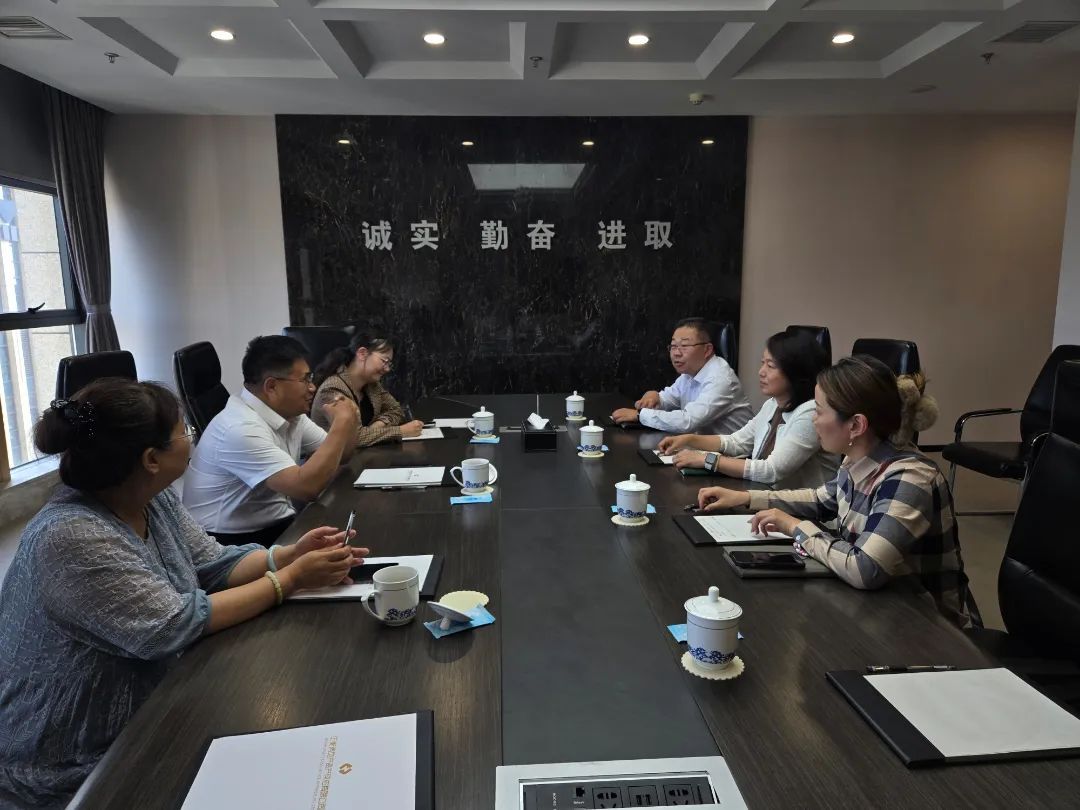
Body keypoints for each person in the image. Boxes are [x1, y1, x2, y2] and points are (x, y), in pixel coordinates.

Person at [0, 380, 368, 809]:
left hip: (157, 703)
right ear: (151, 459)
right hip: (76, 760)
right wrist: (288, 580)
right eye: (185, 432)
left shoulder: (149, 498)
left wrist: (286, 556)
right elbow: (171, 626)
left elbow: (213, 564)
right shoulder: (70, 536)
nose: (193, 439)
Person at [696, 355, 980, 628]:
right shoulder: (858, 458)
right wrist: (747, 498)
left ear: (856, 425)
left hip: (926, 627)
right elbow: (821, 500)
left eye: (819, 411)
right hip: (877, 607)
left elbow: (865, 568)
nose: (813, 420)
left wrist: (795, 527)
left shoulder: (909, 478)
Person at [183, 335, 359, 546]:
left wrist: (349, 421)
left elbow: (343, 455)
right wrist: (341, 424)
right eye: (305, 379)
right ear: (272, 386)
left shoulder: (291, 414)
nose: (312, 387)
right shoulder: (240, 428)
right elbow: (307, 487)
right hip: (228, 543)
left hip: (275, 524)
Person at [657, 328, 839, 489]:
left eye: (771, 366)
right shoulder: (773, 404)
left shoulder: (811, 413)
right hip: (765, 499)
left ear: (796, 371)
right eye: (762, 363)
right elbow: (736, 442)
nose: (761, 372)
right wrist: (689, 440)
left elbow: (771, 470)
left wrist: (707, 460)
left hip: (802, 511)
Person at [610, 317, 752, 433]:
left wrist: (640, 415)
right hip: (700, 450)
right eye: (673, 346)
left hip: (730, 456)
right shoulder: (689, 373)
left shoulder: (721, 379)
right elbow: (669, 399)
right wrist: (654, 397)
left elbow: (688, 421)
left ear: (707, 350)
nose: (676, 353)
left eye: (684, 346)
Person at [310, 333, 425, 447]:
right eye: (384, 361)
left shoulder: (372, 384)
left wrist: (376, 427)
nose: (387, 369)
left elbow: (396, 410)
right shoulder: (332, 389)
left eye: (389, 364)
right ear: (362, 353)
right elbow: (354, 439)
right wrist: (400, 431)